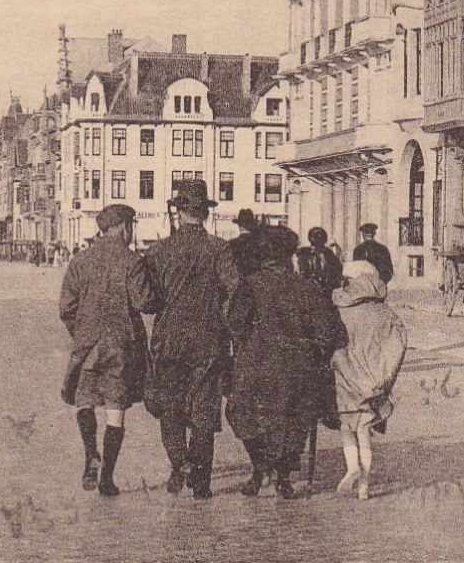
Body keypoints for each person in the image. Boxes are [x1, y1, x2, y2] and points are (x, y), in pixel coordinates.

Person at [226, 226, 343, 498]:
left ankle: (259, 466)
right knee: (297, 416)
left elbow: (235, 323)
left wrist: (250, 343)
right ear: (289, 256)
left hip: (256, 363)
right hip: (297, 366)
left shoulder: (250, 285)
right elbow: (328, 331)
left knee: (240, 412)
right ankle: (283, 476)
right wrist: (314, 351)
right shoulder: (306, 287)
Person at [142, 179, 240, 498]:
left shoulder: (159, 251)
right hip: (208, 341)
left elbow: (150, 300)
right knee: (203, 410)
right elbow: (234, 291)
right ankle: (201, 484)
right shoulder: (220, 249)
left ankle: (179, 463)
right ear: (205, 215)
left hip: (169, 339)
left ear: (179, 213)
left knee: (171, 407)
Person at [59, 204, 152, 497]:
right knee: (115, 411)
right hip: (120, 346)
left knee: (84, 401)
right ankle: (107, 480)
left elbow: (66, 307)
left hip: (87, 346)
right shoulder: (132, 260)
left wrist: (82, 333)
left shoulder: (80, 260)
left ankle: (90, 454)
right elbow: (143, 302)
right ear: (125, 227)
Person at [331, 259, 408, 500]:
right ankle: (364, 484)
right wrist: (386, 374)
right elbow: (400, 340)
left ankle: (352, 466)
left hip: (346, 375)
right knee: (364, 428)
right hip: (373, 379)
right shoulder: (384, 311)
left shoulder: (341, 308)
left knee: (347, 426)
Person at [296, 226, 343, 292]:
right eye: (315, 237)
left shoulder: (330, 256)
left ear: (324, 241)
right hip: (308, 290)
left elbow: (337, 273)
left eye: (320, 238)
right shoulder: (303, 255)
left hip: (327, 290)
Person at [227, 208, 264, 278]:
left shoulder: (230, 244)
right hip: (255, 285)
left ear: (239, 226)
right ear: (252, 225)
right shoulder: (260, 245)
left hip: (236, 285)